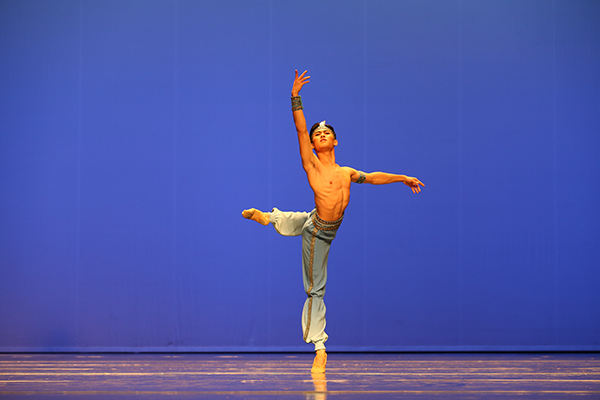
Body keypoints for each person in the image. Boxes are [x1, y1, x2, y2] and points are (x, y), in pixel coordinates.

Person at [242, 70, 424, 373]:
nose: (321, 134)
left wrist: (401, 177)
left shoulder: (346, 172)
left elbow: (373, 177)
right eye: (318, 134)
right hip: (319, 234)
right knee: (316, 288)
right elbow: (301, 130)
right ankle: (319, 346)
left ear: (336, 141)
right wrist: (295, 98)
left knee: (306, 218)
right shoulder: (311, 165)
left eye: (327, 132)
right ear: (313, 145)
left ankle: (269, 217)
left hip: (320, 220)